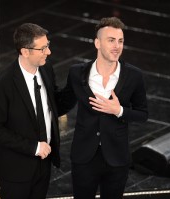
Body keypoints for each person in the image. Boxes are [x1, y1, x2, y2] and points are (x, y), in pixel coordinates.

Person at [60, 17, 148, 198]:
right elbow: (63, 104)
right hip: (84, 156)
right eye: (111, 40)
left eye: (120, 41)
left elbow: (142, 114)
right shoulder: (77, 73)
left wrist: (119, 110)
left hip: (117, 157)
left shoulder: (133, 76)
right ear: (97, 43)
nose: (117, 46)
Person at [0, 23, 64, 199]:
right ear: (25, 51)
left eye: (48, 46)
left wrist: (79, 85)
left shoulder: (46, 69)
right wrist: (34, 147)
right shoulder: (2, 84)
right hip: (15, 169)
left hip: (44, 162)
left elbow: (54, 105)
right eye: (42, 49)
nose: (48, 52)